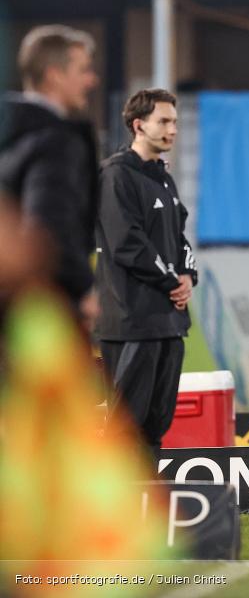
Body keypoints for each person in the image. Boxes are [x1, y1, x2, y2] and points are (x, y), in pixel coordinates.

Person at [94, 89, 197, 454]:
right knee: (125, 427)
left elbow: (179, 235)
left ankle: (147, 491)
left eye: (175, 122)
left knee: (155, 428)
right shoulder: (116, 175)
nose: (173, 130)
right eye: (164, 121)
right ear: (138, 125)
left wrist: (187, 276)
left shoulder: (163, 178)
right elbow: (127, 243)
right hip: (131, 322)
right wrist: (171, 281)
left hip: (168, 322)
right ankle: (111, 493)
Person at [0, 25, 100, 328]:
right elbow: (49, 227)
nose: (92, 80)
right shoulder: (56, 141)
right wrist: (81, 290)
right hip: (42, 309)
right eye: (83, 70)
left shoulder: (12, 134)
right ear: (54, 75)